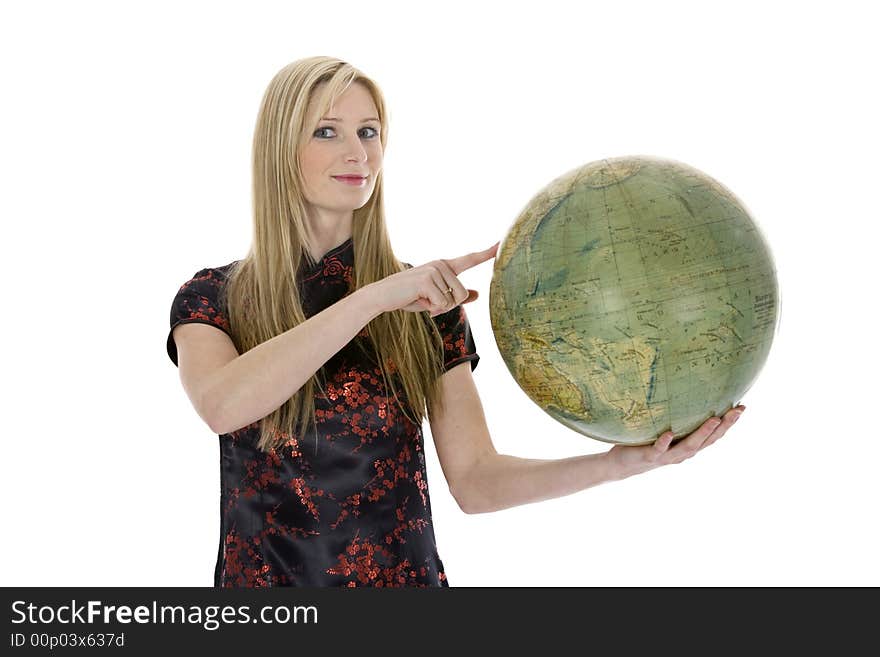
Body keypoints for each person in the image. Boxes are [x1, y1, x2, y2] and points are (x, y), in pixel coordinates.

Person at [166, 56, 745, 588]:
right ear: (279, 149)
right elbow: (223, 406)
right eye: (327, 131)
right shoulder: (214, 297)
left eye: (369, 131)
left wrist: (617, 463)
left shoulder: (424, 306)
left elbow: (475, 481)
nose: (358, 153)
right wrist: (371, 298)